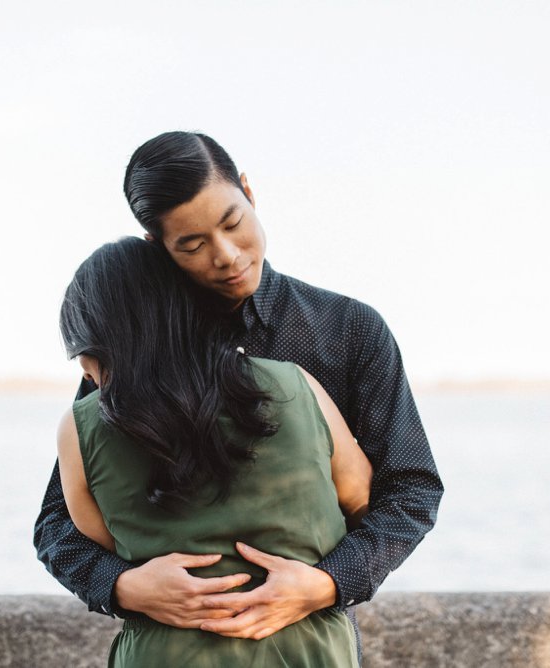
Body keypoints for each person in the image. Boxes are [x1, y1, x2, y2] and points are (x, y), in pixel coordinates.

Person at [35, 131, 443, 655]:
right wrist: (123, 585)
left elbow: (410, 489)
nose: (226, 256)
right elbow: (58, 522)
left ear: (249, 192)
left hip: (305, 646)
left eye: (232, 223)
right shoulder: (129, 354)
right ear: (158, 247)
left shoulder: (348, 329)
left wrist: (328, 582)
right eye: (192, 244)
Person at [58, 237, 370, 665]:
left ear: (98, 347)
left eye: (89, 368)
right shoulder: (297, 385)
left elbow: (102, 536)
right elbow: (360, 496)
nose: (92, 383)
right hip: (305, 650)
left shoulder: (80, 427)